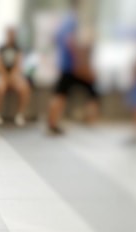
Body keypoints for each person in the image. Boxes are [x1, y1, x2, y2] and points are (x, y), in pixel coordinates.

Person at [46, 1, 99, 135]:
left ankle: (53, 123)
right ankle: (52, 124)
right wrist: (77, 61)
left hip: (65, 64)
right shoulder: (72, 20)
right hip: (69, 66)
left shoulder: (64, 20)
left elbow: (55, 39)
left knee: (61, 94)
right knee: (60, 94)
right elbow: (70, 42)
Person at [0, 27, 31, 126]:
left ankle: (19, 115)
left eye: (13, 34)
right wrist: (6, 76)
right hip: (2, 75)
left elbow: (18, 65)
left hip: (14, 76)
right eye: (9, 34)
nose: (11, 36)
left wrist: (12, 76)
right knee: (0, 88)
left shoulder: (18, 49)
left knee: (25, 88)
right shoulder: (0, 48)